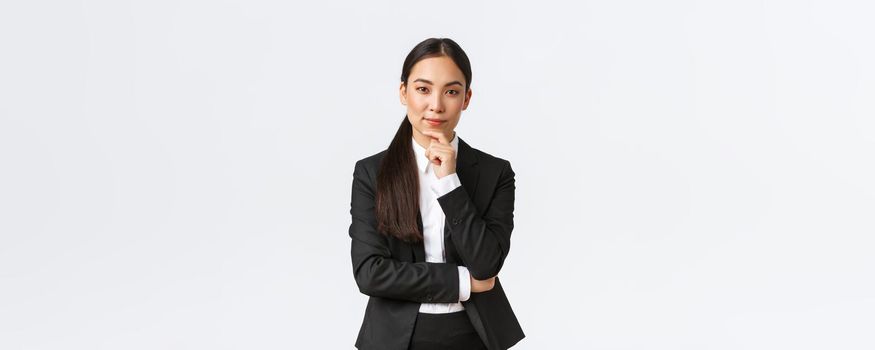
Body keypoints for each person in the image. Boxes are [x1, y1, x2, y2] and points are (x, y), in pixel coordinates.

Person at [349, 37, 524, 350]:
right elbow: (370, 273)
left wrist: (449, 181)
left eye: (452, 91)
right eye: (423, 89)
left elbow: (486, 264)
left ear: (467, 98)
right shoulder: (371, 173)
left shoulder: (495, 172)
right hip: (395, 336)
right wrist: (462, 283)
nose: (436, 105)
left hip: (475, 335)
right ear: (403, 92)